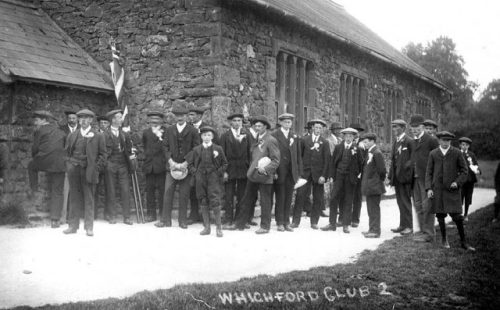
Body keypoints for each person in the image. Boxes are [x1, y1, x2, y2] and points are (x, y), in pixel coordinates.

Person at [227, 115, 280, 234]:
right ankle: (239, 223)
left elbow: (276, 160)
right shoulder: (255, 139)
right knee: (247, 199)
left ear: (265, 127)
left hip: (264, 175)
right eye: (255, 126)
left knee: (265, 201)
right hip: (253, 174)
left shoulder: (271, 140)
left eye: (260, 126)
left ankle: (265, 226)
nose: (257, 128)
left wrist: (265, 170)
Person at [425, 131, 475, 251]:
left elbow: (464, 171)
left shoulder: (456, 153)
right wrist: (429, 188)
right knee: (440, 215)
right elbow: (429, 173)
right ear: (439, 141)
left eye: (448, 140)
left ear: (450, 141)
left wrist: (457, 182)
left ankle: (464, 242)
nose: (446, 143)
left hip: (452, 190)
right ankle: (444, 239)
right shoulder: (433, 154)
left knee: (457, 216)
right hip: (438, 190)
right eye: (443, 140)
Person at [63, 109, 106, 237]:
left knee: (89, 199)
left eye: (86, 118)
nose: (83, 121)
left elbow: (103, 155)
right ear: (78, 120)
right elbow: (66, 153)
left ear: (91, 120)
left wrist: (95, 168)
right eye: (81, 118)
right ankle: (72, 226)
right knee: (74, 198)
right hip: (74, 170)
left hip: (89, 171)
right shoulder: (72, 135)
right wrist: (69, 166)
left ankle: (89, 227)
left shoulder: (98, 136)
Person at [158, 106, 200, 228]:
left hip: (185, 167)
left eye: (182, 115)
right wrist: (170, 161)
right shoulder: (169, 130)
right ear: (174, 116)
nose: (180, 117)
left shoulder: (193, 131)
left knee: (184, 194)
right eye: (177, 115)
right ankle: (166, 220)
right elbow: (165, 147)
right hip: (171, 166)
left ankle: (182, 221)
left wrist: (186, 163)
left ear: (186, 116)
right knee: (167, 193)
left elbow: (196, 148)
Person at [186, 126, 228, 237]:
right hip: (200, 178)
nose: (206, 137)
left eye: (209, 135)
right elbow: (189, 164)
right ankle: (207, 227)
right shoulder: (196, 149)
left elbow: (225, 163)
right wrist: (195, 172)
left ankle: (219, 228)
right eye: (204, 135)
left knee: (215, 200)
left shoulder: (218, 149)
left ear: (212, 136)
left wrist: (217, 173)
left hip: (213, 178)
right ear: (201, 136)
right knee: (203, 200)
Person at [28, 111, 66, 228]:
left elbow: (35, 148)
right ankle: (55, 220)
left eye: (37, 120)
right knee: (58, 191)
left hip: (45, 160)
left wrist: (36, 157)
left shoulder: (39, 130)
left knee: (31, 165)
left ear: (44, 120)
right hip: (60, 163)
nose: (35, 123)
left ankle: (34, 189)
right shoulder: (61, 131)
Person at [322, 127, 363, 233]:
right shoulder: (338, 147)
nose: (348, 138)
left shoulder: (357, 149)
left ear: (353, 137)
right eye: (346, 136)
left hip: (350, 178)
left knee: (348, 200)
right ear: (343, 137)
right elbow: (332, 162)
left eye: (351, 136)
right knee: (333, 198)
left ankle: (346, 224)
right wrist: (332, 176)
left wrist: (356, 176)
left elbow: (360, 164)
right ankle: (332, 223)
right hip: (339, 176)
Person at [292, 119, 330, 229]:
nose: (318, 130)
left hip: (318, 175)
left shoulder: (325, 142)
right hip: (305, 174)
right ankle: (295, 221)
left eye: (320, 128)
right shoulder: (304, 140)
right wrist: (299, 173)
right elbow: (299, 157)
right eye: (316, 127)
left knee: (318, 198)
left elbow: (327, 160)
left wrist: (324, 175)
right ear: (312, 128)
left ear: (322, 130)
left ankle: (314, 222)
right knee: (300, 196)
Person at [103, 109, 136, 225]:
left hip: (123, 165)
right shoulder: (104, 134)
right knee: (111, 190)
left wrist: (132, 158)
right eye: (119, 117)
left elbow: (129, 150)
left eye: (121, 117)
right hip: (110, 165)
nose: (121, 119)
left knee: (125, 190)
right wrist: (107, 164)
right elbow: (102, 152)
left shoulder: (124, 134)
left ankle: (126, 217)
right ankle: (112, 216)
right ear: (113, 120)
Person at [410, 114, 439, 243]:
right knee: (418, 205)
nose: (414, 129)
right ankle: (422, 231)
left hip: (426, 178)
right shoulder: (413, 141)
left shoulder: (431, 140)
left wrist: (433, 178)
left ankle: (429, 233)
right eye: (412, 127)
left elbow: (437, 160)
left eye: (417, 127)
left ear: (422, 127)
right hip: (414, 178)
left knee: (427, 205)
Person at [272, 113, 303, 232]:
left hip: (291, 172)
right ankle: (279, 222)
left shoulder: (295, 136)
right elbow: (271, 155)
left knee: (289, 197)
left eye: (289, 122)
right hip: (280, 170)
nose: (287, 124)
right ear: (280, 122)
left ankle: (286, 222)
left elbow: (298, 155)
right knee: (280, 196)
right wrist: (274, 171)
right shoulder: (275, 135)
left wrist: (299, 172)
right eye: (285, 122)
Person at [220, 112, 250, 225]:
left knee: (242, 196)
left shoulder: (247, 135)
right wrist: (224, 172)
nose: (237, 123)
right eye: (235, 121)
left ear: (242, 122)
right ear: (230, 122)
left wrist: (248, 169)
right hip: (230, 170)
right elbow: (221, 156)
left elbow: (250, 153)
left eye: (239, 121)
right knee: (228, 195)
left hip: (243, 170)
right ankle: (228, 220)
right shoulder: (225, 136)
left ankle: (239, 220)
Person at [389, 119, 415, 235]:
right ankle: (402, 225)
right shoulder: (396, 141)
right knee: (400, 202)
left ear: (403, 128)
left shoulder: (409, 141)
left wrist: (406, 169)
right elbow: (393, 160)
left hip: (405, 177)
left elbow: (414, 159)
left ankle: (409, 226)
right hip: (397, 177)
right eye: (393, 127)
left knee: (406, 202)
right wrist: (391, 176)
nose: (394, 129)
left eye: (396, 127)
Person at [142, 111, 168, 222]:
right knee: (150, 191)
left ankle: (162, 213)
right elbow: (144, 146)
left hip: (161, 166)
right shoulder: (146, 133)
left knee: (162, 191)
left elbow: (168, 147)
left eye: (157, 120)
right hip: (149, 166)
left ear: (161, 121)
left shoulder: (166, 132)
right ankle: (151, 214)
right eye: (152, 121)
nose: (154, 122)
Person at [360, 133, 386, 238]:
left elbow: (382, 170)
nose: (364, 144)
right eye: (364, 142)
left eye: (366, 142)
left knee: (374, 209)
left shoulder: (376, 153)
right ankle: (371, 229)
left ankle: (375, 231)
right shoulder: (370, 152)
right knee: (370, 208)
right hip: (370, 186)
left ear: (372, 141)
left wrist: (378, 181)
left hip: (374, 186)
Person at [458, 137, 480, 221]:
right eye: (463, 144)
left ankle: (466, 214)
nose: (464, 146)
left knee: (468, 197)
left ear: (469, 146)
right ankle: (459, 214)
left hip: (470, 180)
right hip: (461, 180)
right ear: (460, 145)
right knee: (460, 197)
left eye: (466, 145)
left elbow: (476, 164)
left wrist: (477, 170)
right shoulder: (457, 153)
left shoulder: (471, 154)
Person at [350, 123, 366, 228]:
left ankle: (355, 219)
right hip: (348, 173)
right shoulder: (348, 141)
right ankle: (344, 218)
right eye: (353, 131)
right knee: (347, 196)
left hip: (359, 174)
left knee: (357, 197)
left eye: (357, 131)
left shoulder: (363, 143)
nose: (355, 133)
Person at [94, 115, 110, 220]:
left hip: (109, 165)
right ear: (98, 124)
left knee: (109, 189)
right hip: (97, 165)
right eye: (101, 123)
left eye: (105, 123)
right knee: (94, 189)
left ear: (108, 124)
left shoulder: (111, 134)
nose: (103, 124)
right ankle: (93, 213)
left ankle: (107, 213)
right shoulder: (94, 134)